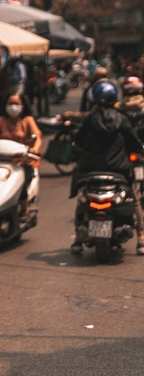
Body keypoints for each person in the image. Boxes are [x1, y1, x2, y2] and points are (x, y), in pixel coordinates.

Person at [69, 81, 143, 254]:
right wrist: (138, 151)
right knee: (135, 197)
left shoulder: (89, 119)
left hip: (90, 170)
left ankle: (78, 238)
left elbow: (78, 141)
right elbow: (134, 142)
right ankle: (141, 237)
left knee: (82, 196)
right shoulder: (122, 118)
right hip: (118, 170)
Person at [0, 94, 42, 220]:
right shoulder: (0, 121)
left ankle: (24, 209)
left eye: (16, 104)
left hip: (22, 162)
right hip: (0, 162)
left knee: (20, 184)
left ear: (22, 106)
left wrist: (36, 147)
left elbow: (37, 135)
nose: (13, 107)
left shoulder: (27, 120)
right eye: (10, 104)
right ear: (5, 106)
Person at [118, 76, 144, 254]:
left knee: (131, 194)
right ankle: (141, 236)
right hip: (140, 154)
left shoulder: (118, 109)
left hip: (125, 156)